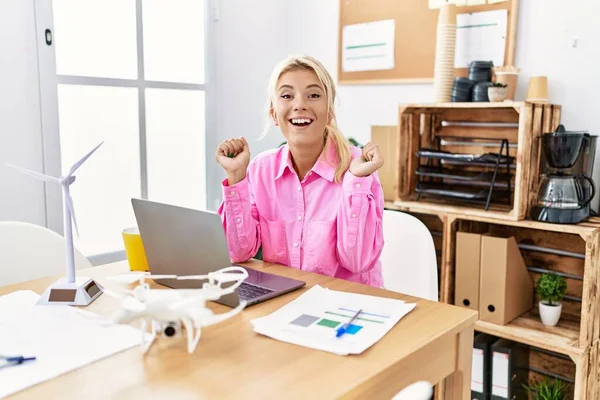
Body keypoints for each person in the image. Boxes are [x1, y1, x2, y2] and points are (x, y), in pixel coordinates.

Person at [216, 55, 384, 287]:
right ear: (274, 114)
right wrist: (236, 177)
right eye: (287, 96)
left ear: (330, 111)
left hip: (348, 305)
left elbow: (356, 262)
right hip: (288, 303)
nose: (299, 105)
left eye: (314, 95)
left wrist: (355, 181)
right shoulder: (261, 169)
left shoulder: (359, 166)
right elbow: (240, 253)